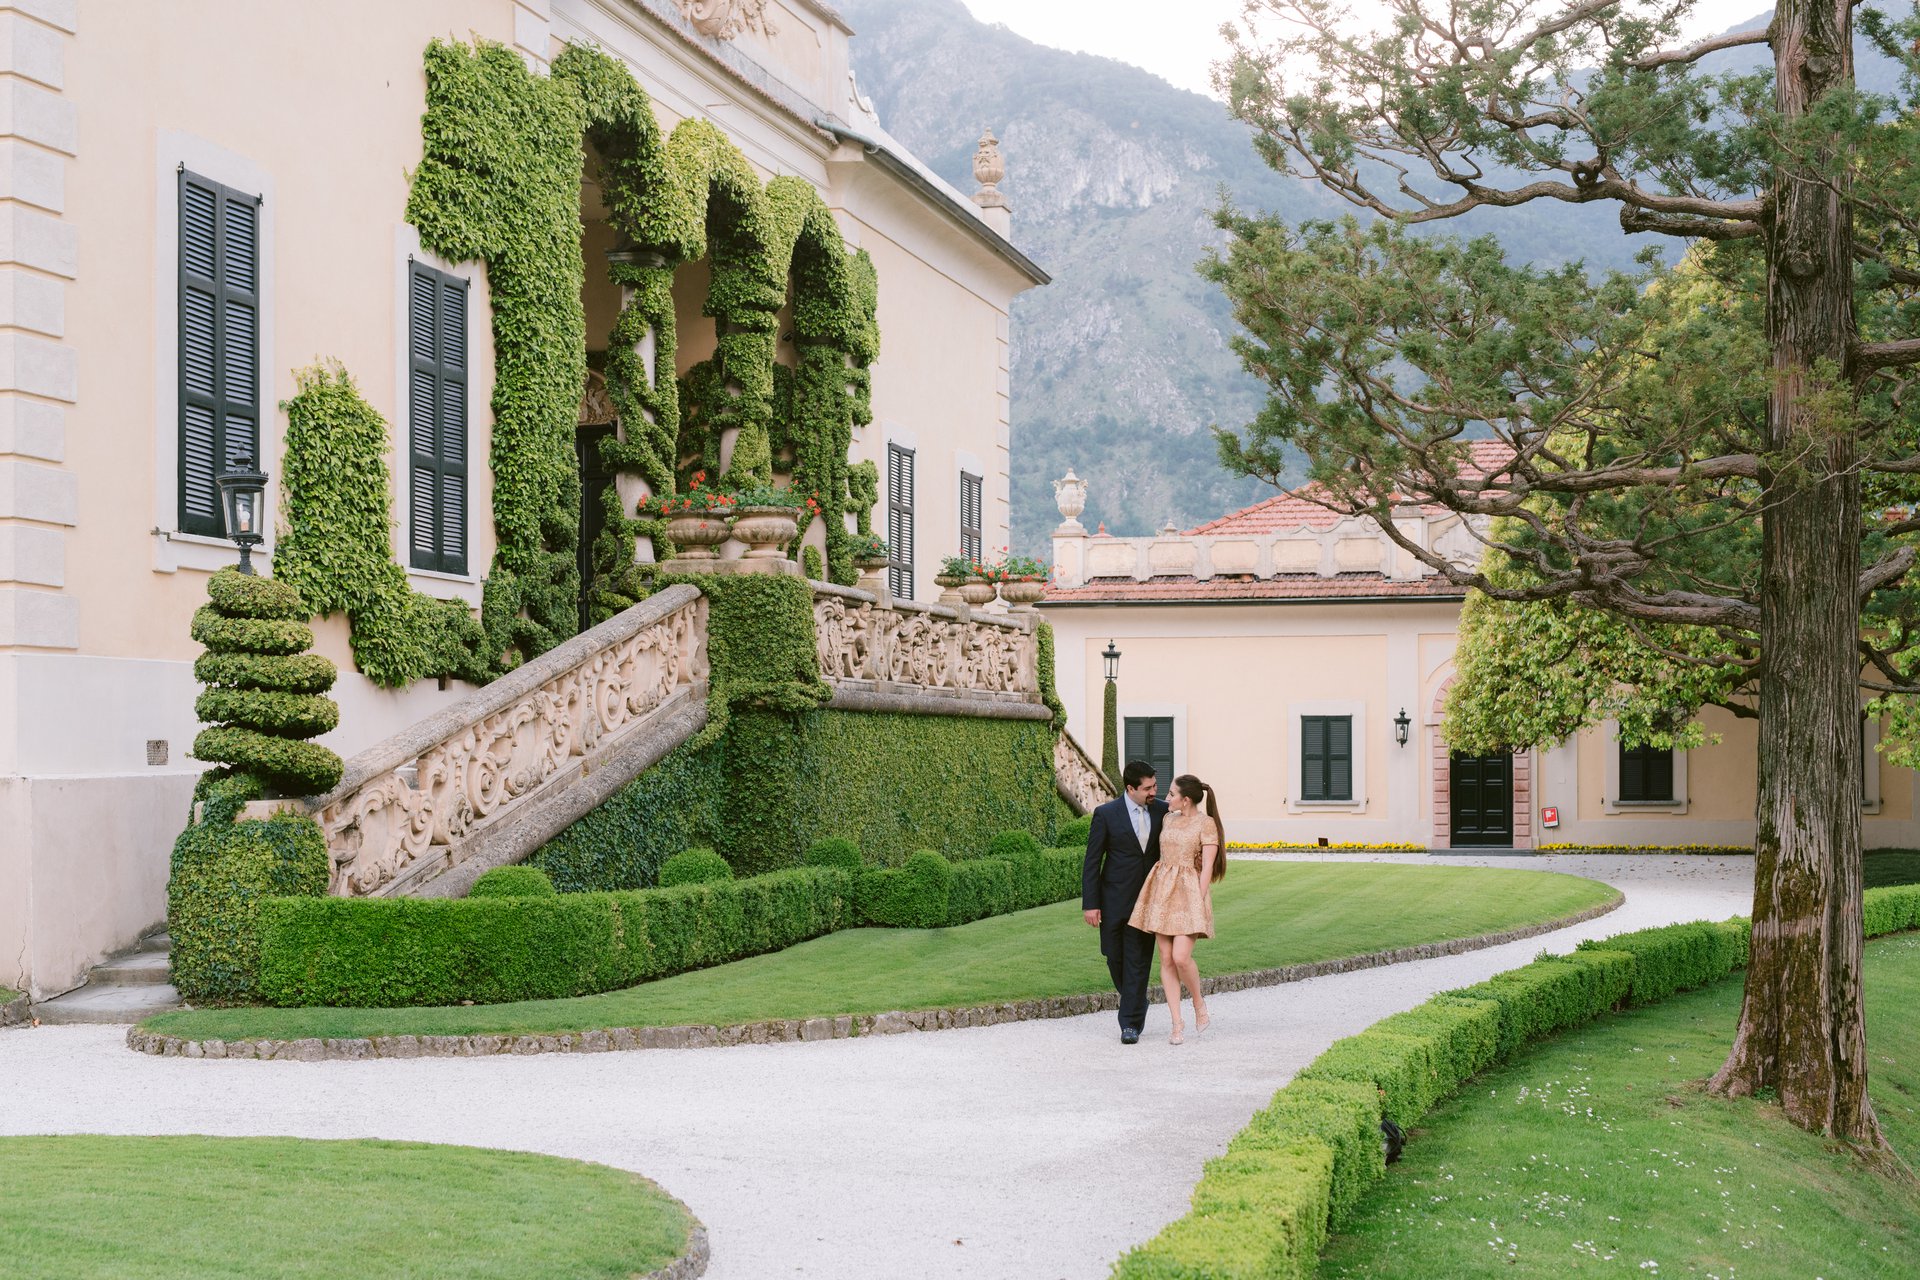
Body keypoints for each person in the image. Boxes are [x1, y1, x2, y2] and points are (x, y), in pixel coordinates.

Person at [1129, 773, 1225, 1044]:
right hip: (1163, 890)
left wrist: (1199, 898)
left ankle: (1198, 1003)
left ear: (1186, 800)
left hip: (1189, 891)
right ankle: (1176, 1023)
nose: (1166, 798)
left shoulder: (1206, 824)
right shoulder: (1168, 818)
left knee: (1182, 957)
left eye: (1172, 794)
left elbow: (1206, 867)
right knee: (1167, 958)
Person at [1082, 760, 1166, 1044]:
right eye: (1148, 788)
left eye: (1155, 785)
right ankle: (1137, 1000)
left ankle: (1129, 1023)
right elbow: (1092, 862)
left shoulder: (1164, 810)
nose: (1155, 791)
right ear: (1130, 788)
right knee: (1114, 957)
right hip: (1113, 901)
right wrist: (1090, 904)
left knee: (1138, 961)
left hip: (1148, 901)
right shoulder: (1105, 814)